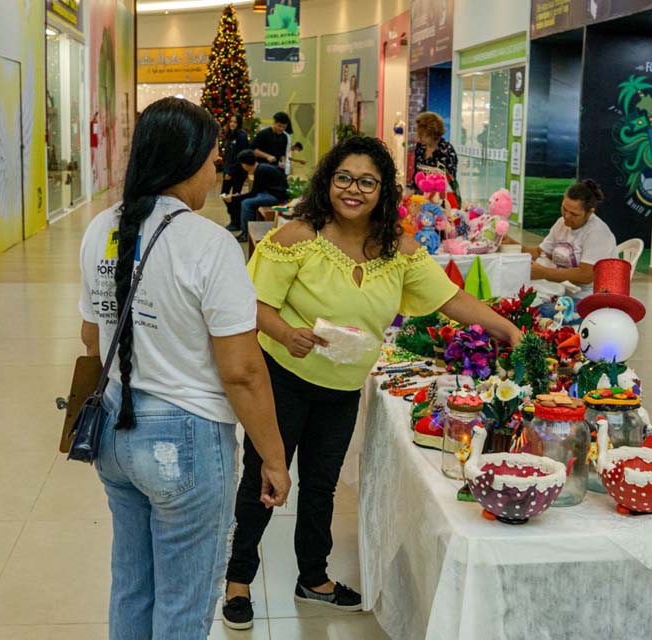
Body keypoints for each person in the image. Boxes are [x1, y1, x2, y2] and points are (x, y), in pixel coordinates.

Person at [221, 136, 522, 630]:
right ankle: (237, 581)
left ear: (383, 190)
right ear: (327, 182)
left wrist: (505, 328)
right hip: (283, 379)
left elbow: (450, 298)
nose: (353, 190)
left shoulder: (398, 251)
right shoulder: (299, 236)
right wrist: (285, 332)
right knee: (264, 478)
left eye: (367, 181)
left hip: (341, 388)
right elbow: (250, 303)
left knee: (321, 485)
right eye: (344, 178)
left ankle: (313, 578)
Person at [77, 97, 291, 640]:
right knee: (184, 603)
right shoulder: (210, 245)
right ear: (188, 161)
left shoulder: (102, 227)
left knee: (132, 584)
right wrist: (273, 455)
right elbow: (242, 371)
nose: (217, 169)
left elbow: (91, 337)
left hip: (113, 431)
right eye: (214, 159)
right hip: (185, 439)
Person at [526, 179, 616, 296]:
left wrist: (544, 273)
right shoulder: (561, 223)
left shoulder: (597, 232)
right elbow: (541, 252)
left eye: (574, 214)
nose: (567, 216)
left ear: (589, 212)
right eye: (564, 209)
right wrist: (511, 244)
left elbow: (586, 276)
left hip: (588, 296)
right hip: (562, 290)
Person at [224, 149, 289, 242]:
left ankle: (246, 233)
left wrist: (235, 198)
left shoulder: (260, 170)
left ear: (244, 164)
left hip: (276, 197)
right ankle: (246, 229)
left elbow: (253, 193)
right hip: (274, 193)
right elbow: (256, 191)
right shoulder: (261, 168)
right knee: (248, 201)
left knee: (246, 203)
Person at [409, 111, 458, 195]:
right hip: (420, 195)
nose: (419, 138)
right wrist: (412, 192)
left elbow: (450, 180)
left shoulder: (446, 150)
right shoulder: (421, 147)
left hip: (439, 197)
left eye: (422, 135)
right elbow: (416, 173)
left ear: (432, 133)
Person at [220, 113, 250, 228]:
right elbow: (228, 155)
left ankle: (236, 221)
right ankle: (235, 218)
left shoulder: (241, 136)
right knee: (224, 195)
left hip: (238, 172)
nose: (232, 124)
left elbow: (240, 157)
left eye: (235, 122)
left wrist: (230, 172)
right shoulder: (229, 135)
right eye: (231, 121)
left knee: (234, 196)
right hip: (229, 170)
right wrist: (226, 170)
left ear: (239, 124)